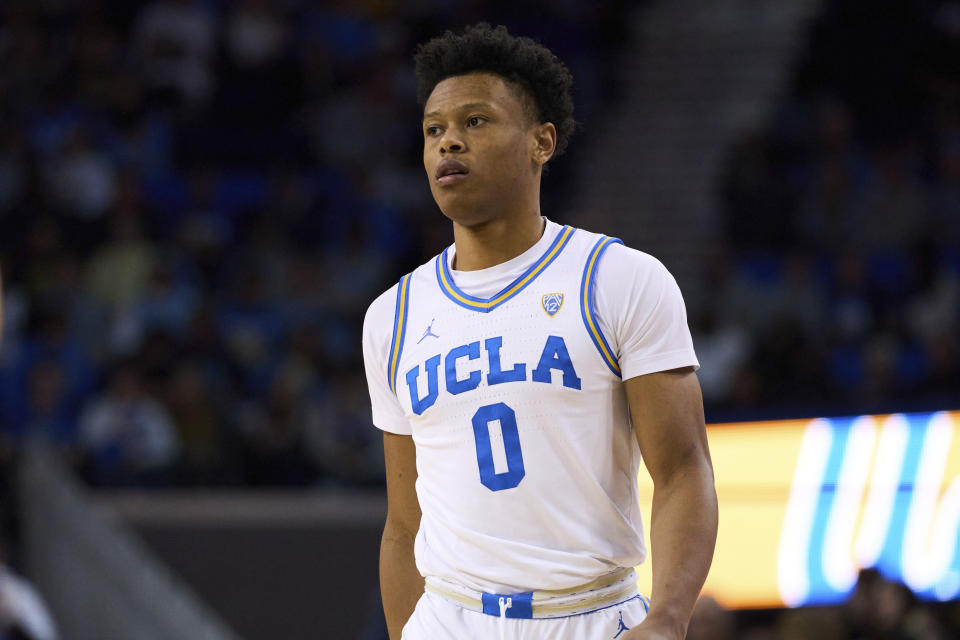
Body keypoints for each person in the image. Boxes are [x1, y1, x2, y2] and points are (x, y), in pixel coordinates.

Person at [362, 23, 717, 640]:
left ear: (541, 142)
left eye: (475, 122)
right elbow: (403, 525)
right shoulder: (390, 316)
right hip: (450, 617)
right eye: (434, 130)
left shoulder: (619, 279)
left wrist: (667, 619)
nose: (449, 143)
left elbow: (684, 471)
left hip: (590, 615)